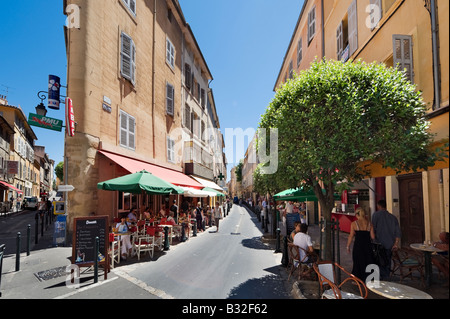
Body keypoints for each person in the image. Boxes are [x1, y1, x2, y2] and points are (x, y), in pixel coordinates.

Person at [372, 199, 401, 280]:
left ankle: (379, 277)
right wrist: (396, 243)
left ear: (378, 206)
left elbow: (373, 229)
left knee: (378, 260)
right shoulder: (393, 218)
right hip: (389, 243)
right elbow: (397, 232)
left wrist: (372, 240)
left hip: (379, 243)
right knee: (387, 260)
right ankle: (386, 276)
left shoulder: (375, 215)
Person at [346, 207, 376, 282]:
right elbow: (373, 236)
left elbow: (351, 235)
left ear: (357, 214)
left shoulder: (354, 224)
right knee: (368, 261)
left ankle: (357, 280)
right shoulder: (370, 224)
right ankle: (368, 278)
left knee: (357, 262)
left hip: (358, 245)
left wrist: (348, 246)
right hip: (368, 245)